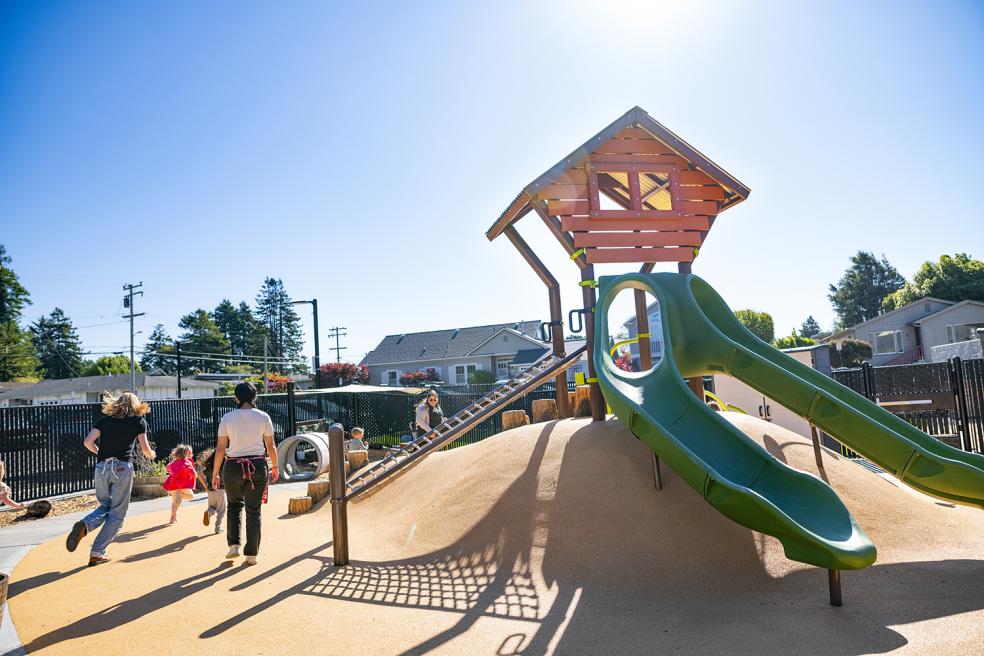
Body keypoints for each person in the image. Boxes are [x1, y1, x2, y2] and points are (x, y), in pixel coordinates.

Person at [67, 391, 156, 566]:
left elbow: (87, 442)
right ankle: (97, 552)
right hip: (122, 467)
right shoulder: (138, 421)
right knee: (117, 513)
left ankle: (85, 525)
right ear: (136, 405)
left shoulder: (104, 420)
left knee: (106, 506)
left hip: (102, 467)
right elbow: (145, 448)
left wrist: (101, 453)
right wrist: (151, 454)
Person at [212, 382, 279, 566]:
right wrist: (275, 467)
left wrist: (215, 473)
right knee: (254, 511)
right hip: (257, 465)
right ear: (254, 397)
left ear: (236, 398)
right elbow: (271, 446)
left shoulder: (227, 417)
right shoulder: (263, 416)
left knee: (234, 506)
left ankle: (234, 545)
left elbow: (220, 449)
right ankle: (252, 554)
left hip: (232, 466)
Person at [163, 444, 196, 524]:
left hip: (173, 486)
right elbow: (192, 472)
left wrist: (172, 472)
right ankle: (180, 496)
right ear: (185, 454)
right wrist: (194, 475)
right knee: (191, 496)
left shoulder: (174, 462)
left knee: (175, 502)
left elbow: (167, 467)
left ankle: (173, 517)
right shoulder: (186, 462)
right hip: (182, 485)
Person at [195, 447, 225, 534]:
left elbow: (199, 474)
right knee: (221, 510)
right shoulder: (224, 465)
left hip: (210, 490)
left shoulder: (208, 468)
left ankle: (208, 512)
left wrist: (205, 486)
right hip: (220, 490)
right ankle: (218, 528)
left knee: (212, 507)